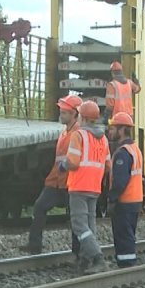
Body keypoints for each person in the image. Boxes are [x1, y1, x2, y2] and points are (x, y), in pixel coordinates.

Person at [22, 94, 82, 254]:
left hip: (71, 184)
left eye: (64, 112)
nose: (61, 115)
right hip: (56, 181)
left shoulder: (79, 134)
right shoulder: (64, 133)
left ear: (74, 114)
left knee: (75, 218)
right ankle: (34, 246)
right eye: (61, 111)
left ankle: (78, 253)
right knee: (40, 206)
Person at [61, 100, 109, 274]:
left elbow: (72, 162)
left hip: (79, 186)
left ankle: (98, 258)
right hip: (94, 187)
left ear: (83, 117)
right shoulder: (103, 138)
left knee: (80, 225)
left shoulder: (78, 135)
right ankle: (85, 259)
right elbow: (108, 165)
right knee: (90, 224)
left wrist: (63, 165)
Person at [107, 112, 144, 267]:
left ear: (121, 130)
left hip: (125, 201)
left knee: (123, 236)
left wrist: (111, 199)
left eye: (113, 128)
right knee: (128, 235)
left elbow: (120, 181)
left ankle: (127, 267)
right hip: (135, 200)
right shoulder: (134, 149)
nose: (110, 131)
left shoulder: (123, 153)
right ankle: (127, 265)